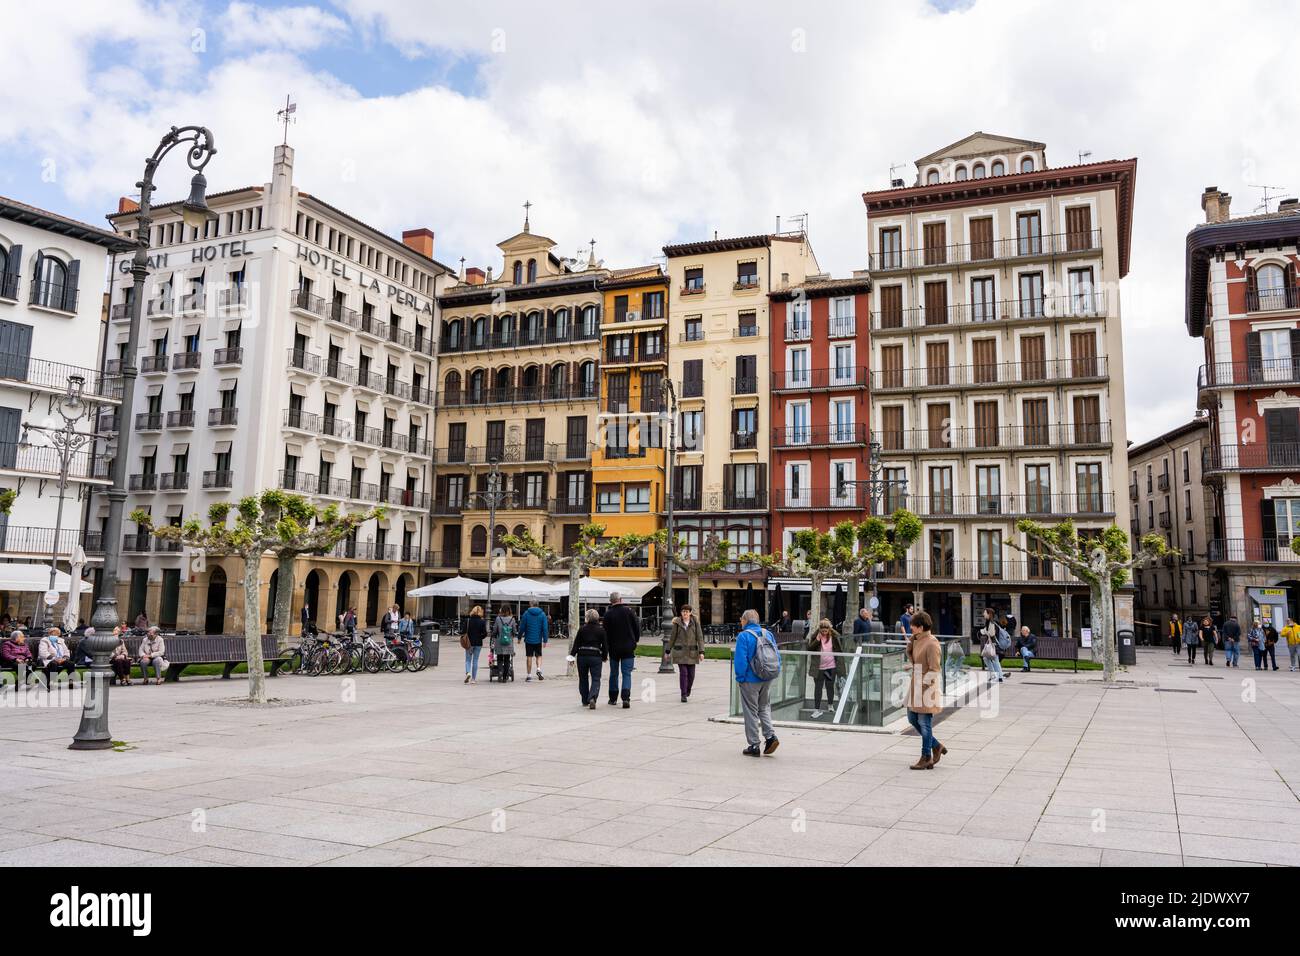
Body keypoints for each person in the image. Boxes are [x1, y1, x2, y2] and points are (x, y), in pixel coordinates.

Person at [734, 608, 780, 757]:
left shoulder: (744, 636)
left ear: (746, 621)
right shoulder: (768, 634)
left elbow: (741, 660)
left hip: (750, 679)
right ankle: (770, 736)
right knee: (764, 707)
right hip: (767, 677)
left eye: (741, 619)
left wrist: (740, 678)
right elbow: (776, 656)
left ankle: (754, 745)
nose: (740, 622)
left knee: (751, 711)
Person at [905, 610, 946, 770]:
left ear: (920, 627)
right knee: (912, 718)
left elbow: (935, 669)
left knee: (924, 722)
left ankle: (926, 756)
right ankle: (936, 746)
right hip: (917, 685)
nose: (911, 629)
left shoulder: (931, 643)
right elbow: (917, 660)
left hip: (925, 688)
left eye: (913, 626)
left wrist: (922, 686)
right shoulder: (918, 640)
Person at [602, 593, 640, 708]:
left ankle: (613, 698)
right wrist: (635, 640)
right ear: (621, 600)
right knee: (626, 673)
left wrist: (605, 649)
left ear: (610, 601)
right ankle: (626, 697)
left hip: (614, 648)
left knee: (614, 673)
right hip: (628, 647)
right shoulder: (629, 611)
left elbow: (605, 633)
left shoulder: (608, 614)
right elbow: (636, 627)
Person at [805, 618, 844, 719]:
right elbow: (809, 648)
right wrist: (817, 640)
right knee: (818, 688)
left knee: (829, 686)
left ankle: (830, 705)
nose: (824, 633)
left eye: (826, 631)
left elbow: (840, 646)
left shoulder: (833, 636)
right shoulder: (816, 636)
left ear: (829, 630)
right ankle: (817, 709)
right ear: (820, 630)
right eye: (822, 631)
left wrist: (831, 629)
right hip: (819, 668)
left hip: (830, 667)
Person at [571, 608, 608, 709]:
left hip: (582, 656)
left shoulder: (582, 629)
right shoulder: (601, 630)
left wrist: (572, 656)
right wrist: (604, 657)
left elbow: (576, 644)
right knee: (596, 678)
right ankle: (592, 697)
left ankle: (584, 700)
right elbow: (605, 645)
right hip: (595, 656)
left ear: (587, 618)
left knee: (583, 678)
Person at [668, 603, 705, 702]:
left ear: (690, 613)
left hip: (692, 652)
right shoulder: (677, 623)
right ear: (681, 612)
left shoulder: (695, 622)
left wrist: (701, 651)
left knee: (691, 675)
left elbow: (700, 637)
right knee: (683, 673)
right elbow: (672, 637)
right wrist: (668, 650)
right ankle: (683, 694)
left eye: (687, 612)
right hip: (680, 652)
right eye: (683, 611)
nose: (685, 613)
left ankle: (687, 690)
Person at [519, 600, 549, 681]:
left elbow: (522, 627)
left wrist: (519, 637)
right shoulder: (542, 614)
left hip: (529, 639)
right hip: (538, 640)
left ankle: (529, 676)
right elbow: (545, 628)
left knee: (529, 656)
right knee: (538, 655)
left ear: (530, 605)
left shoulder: (526, 614)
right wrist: (545, 640)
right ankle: (538, 669)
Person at [464, 605, 487, 684]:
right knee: (475, 660)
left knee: (468, 659)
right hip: (478, 643)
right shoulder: (482, 621)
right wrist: (480, 637)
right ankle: (473, 679)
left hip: (469, 643)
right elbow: (485, 634)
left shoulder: (468, 620)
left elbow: (463, 631)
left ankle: (468, 673)